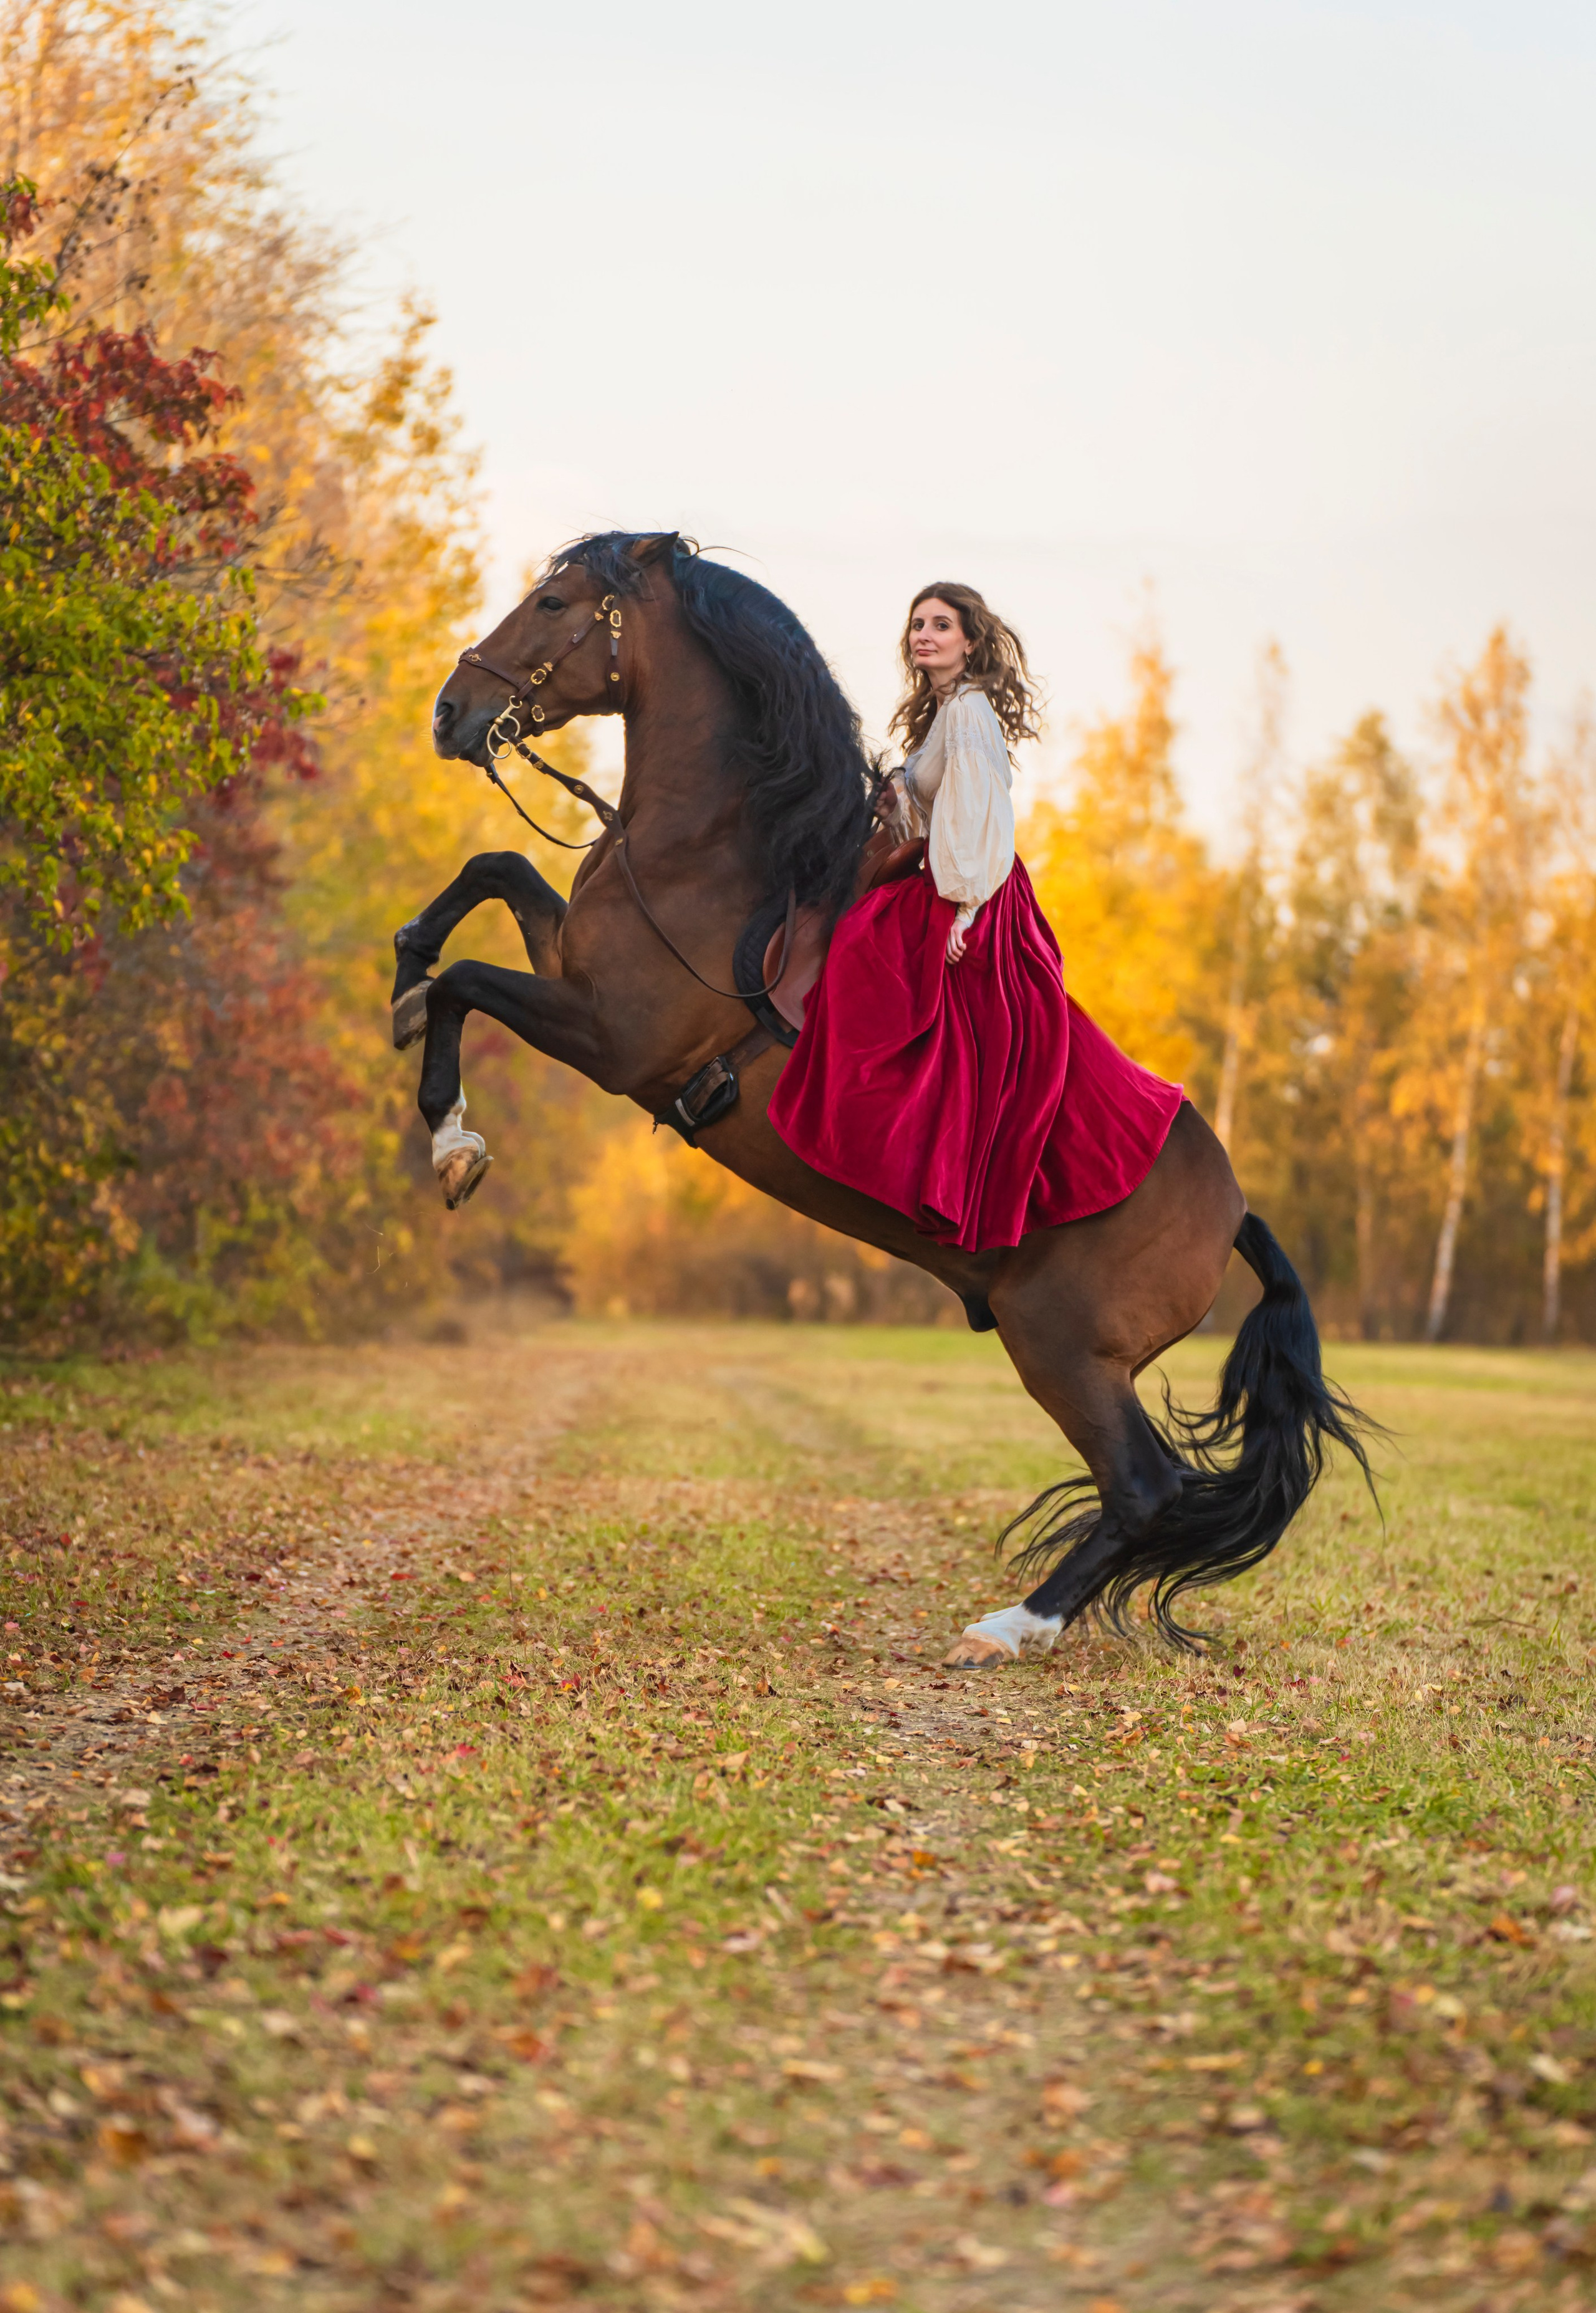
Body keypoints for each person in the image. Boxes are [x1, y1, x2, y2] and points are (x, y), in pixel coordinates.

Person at [766, 582, 1185, 1253]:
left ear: (970, 641)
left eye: (941, 625)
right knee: (870, 951)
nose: (924, 635)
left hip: (973, 890)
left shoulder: (968, 712)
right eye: (917, 625)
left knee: (867, 954)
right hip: (953, 878)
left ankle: (905, 1151)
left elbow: (982, 814)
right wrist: (900, 802)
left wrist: (963, 912)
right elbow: (937, 814)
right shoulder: (947, 712)